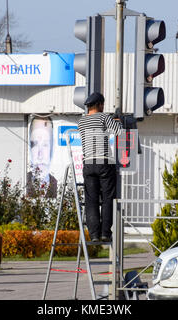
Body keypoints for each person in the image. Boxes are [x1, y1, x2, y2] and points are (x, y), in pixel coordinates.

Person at [77, 92, 122, 242]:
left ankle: (94, 235)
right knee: (108, 198)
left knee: (91, 200)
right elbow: (118, 131)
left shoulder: (81, 122)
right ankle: (105, 233)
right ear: (100, 105)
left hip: (88, 163)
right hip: (104, 162)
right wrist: (117, 121)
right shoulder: (104, 117)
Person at [27, 116, 57, 198]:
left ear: (52, 147)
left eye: (45, 145)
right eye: (35, 144)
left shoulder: (57, 183)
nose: (40, 155)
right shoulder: (23, 180)